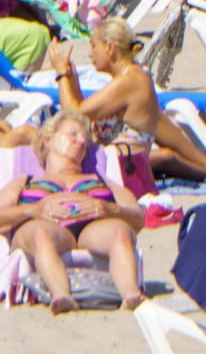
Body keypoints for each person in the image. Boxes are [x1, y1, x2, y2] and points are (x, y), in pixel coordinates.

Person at [38, 18, 206, 180]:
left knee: (31, 139)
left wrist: (61, 74)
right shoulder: (134, 77)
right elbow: (165, 129)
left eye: (94, 46)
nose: (90, 54)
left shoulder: (128, 82)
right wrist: (71, 79)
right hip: (121, 159)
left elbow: (73, 115)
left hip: (119, 165)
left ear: (110, 48)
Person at [0, 109, 145, 311]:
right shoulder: (26, 181)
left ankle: (131, 295)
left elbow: (138, 218)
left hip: (93, 230)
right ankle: (62, 296)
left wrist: (110, 209)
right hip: (42, 227)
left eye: (85, 139)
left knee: (121, 233)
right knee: (40, 234)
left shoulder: (100, 180)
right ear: (48, 141)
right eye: (73, 134)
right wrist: (32, 210)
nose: (82, 141)